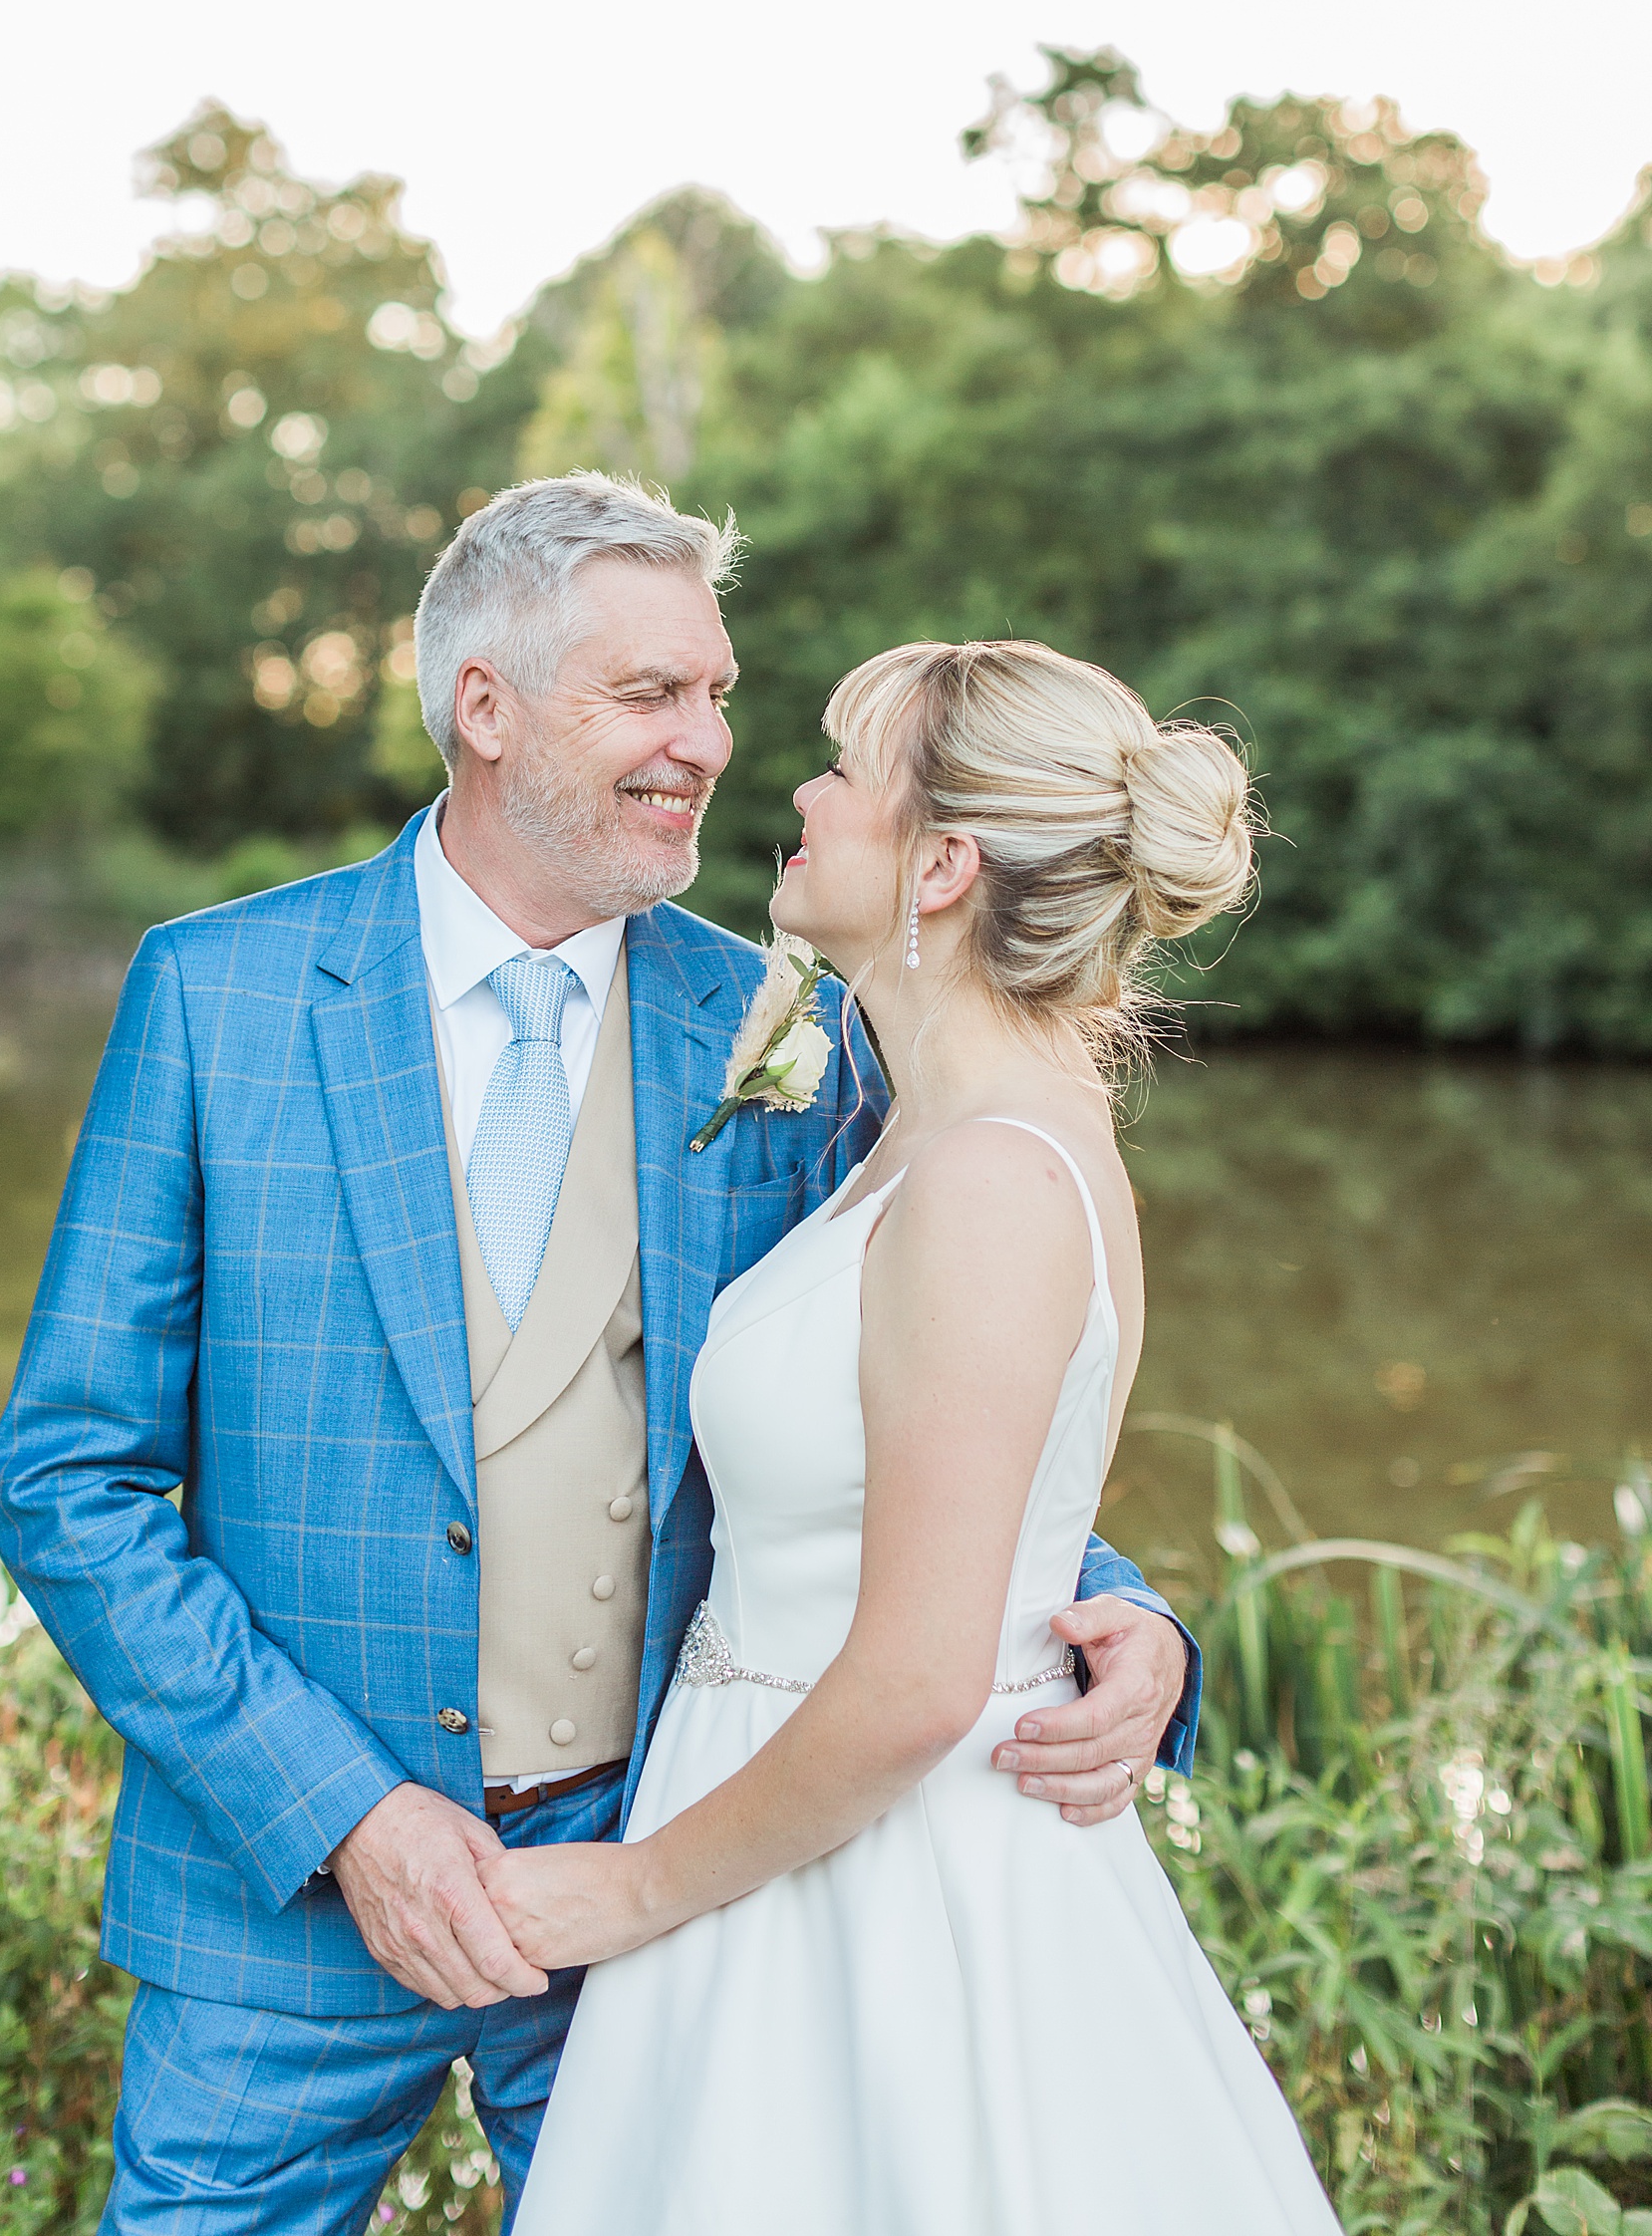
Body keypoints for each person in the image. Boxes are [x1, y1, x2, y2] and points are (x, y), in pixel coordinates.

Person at [0, 480, 1197, 2235]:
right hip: (286, 1910)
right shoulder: (220, 997)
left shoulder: (792, 1021)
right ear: (487, 706)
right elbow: (68, 1481)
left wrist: (1119, 1607)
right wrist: (350, 1818)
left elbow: (918, 1400)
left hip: (669, 1881)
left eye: (717, 693)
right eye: (651, 695)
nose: (710, 743)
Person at [497, 635, 1343, 2235]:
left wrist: (627, 1887)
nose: (798, 787)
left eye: (844, 765)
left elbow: (916, 1675)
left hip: (878, 1888)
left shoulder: (988, 1183)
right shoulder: (927, 1133)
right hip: (788, 1837)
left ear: (945, 862)